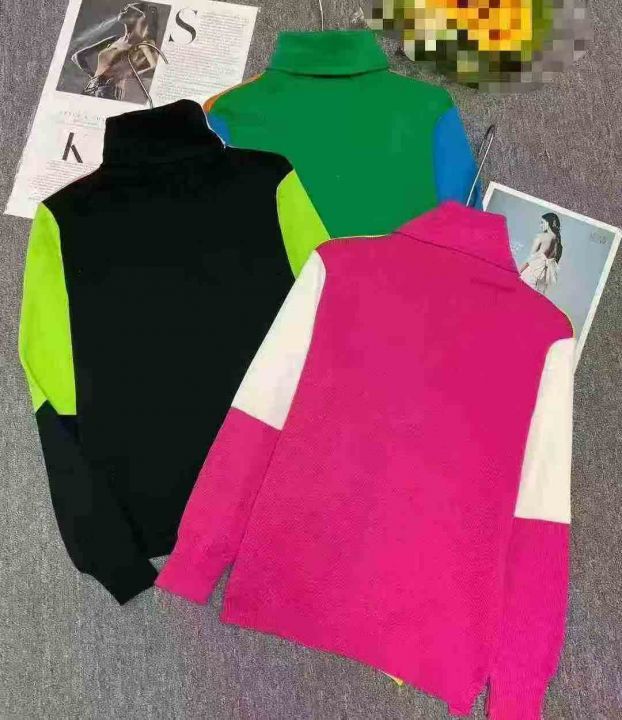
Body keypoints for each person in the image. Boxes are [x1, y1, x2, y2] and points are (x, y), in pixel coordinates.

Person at [71, 3, 160, 102]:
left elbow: (156, 67)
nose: (123, 9)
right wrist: (93, 76)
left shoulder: (144, 43)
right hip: (89, 88)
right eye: (125, 7)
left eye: (129, 8)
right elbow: (77, 56)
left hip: (109, 91)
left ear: (140, 16)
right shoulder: (114, 39)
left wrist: (127, 74)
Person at [519, 212, 563, 294]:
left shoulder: (541, 237)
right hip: (542, 281)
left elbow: (530, 258)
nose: (540, 225)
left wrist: (518, 272)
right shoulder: (559, 245)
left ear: (548, 223)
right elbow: (554, 265)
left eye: (542, 222)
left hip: (531, 274)